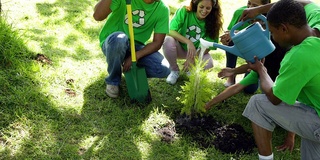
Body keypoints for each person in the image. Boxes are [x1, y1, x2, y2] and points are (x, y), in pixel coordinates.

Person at [242, 0, 320, 159]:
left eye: (272, 32)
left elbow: (275, 97)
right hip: (316, 108)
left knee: (257, 104)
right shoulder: (316, 20)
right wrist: (259, 9)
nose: (273, 38)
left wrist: (261, 70)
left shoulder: (298, 57)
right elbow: (303, 2)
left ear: (284, 29)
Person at [93, 0, 171, 98]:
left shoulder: (162, 9)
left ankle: (128, 68)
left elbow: (157, 43)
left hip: (136, 47)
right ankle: (113, 80)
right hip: (113, 42)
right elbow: (97, 16)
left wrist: (136, 56)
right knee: (120, 40)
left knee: (164, 69)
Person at [162, 0, 223, 85]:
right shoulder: (185, 10)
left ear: (213, 8)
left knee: (209, 64)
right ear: (196, 4)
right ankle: (174, 70)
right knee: (167, 40)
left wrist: (193, 58)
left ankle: (190, 71)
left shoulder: (214, 20)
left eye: (208, 8)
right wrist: (188, 42)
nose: (204, 11)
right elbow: (169, 30)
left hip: (197, 52)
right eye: (201, 7)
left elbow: (209, 46)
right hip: (179, 47)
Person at [220, 0, 270, 91]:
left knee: (249, 89)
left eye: (255, 5)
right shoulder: (241, 13)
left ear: (264, 7)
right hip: (245, 48)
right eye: (249, 3)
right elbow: (229, 32)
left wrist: (238, 33)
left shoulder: (268, 21)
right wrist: (226, 38)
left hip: (260, 57)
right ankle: (231, 75)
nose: (250, 8)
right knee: (231, 38)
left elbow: (261, 42)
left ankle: (261, 75)